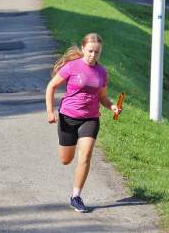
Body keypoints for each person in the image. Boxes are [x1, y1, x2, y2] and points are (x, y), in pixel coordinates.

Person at [45, 33, 122, 213]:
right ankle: (65, 144)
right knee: (66, 159)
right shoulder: (72, 67)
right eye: (90, 51)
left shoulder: (102, 72)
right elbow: (51, 87)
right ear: (83, 49)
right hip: (68, 117)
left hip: (90, 118)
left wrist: (112, 106)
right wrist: (50, 111)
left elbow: (102, 97)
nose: (93, 55)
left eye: (97, 52)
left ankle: (76, 196)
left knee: (85, 155)